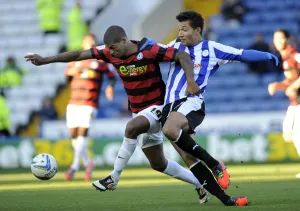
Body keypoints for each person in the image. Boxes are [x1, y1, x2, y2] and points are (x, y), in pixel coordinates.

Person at [24, 25, 250, 206]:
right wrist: (46, 60)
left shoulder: (149, 49)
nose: (111, 52)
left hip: (160, 108)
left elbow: (181, 55)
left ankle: (113, 178)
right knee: (158, 163)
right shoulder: (108, 53)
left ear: (124, 40)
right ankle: (198, 184)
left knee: (131, 129)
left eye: (114, 48)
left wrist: (190, 81)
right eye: (109, 49)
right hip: (139, 111)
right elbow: (78, 54)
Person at [160, 10, 280, 206]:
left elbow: (242, 54)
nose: (180, 33)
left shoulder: (211, 49)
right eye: (178, 29)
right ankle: (226, 199)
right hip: (169, 107)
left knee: (169, 129)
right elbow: (148, 52)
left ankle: (215, 163)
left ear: (197, 30)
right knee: (188, 157)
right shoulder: (172, 47)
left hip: (191, 104)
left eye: (184, 29)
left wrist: (266, 55)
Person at [64, 33, 116, 181]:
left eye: (92, 41)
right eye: (88, 40)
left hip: (89, 102)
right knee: (74, 136)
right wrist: (72, 72)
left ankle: (74, 166)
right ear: (83, 43)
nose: (90, 43)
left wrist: (110, 87)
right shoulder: (74, 60)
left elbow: (112, 76)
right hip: (73, 101)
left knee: (82, 134)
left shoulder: (100, 61)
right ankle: (88, 162)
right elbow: (67, 76)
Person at [268, 29, 300, 178]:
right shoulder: (284, 57)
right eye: (275, 39)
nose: (278, 41)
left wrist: (294, 86)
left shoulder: (294, 54)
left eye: (281, 38)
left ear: (288, 39)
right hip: (294, 102)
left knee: (297, 134)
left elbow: (294, 82)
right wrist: (278, 85)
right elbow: (290, 80)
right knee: (288, 135)